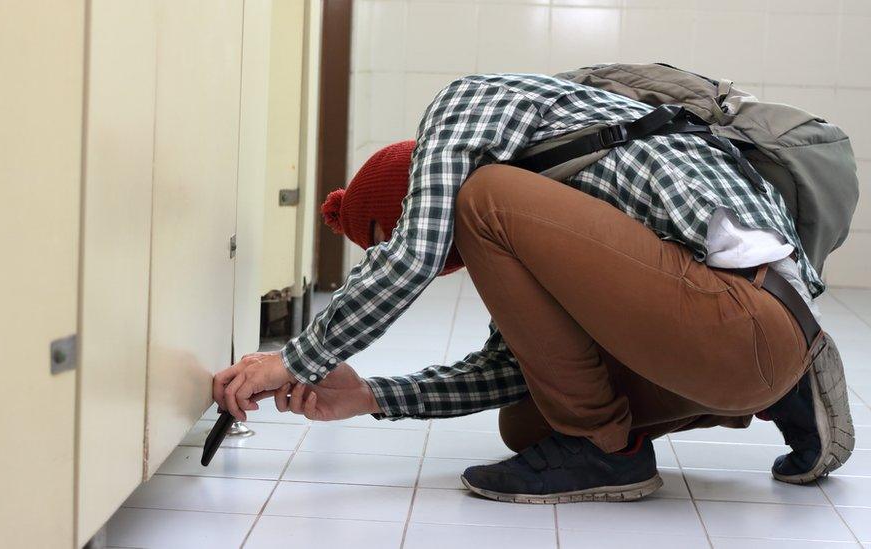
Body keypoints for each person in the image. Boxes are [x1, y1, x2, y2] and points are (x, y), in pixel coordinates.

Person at [212, 73, 853, 504]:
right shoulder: (554, 210)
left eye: (394, 226)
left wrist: (293, 360)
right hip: (734, 346)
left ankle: (610, 453)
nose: (436, 261)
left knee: (484, 200)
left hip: (746, 316)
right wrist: (372, 397)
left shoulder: (466, 116)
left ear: (412, 186)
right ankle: (782, 392)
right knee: (529, 420)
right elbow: (510, 370)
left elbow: (410, 258)